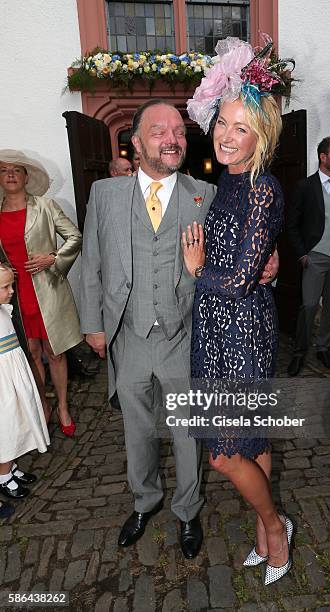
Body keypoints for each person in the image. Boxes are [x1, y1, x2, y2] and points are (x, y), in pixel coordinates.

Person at [80, 98, 278, 559]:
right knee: (137, 430)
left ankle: (188, 509)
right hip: (127, 336)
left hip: (186, 335)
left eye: (178, 132)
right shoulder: (104, 195)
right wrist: (93, 324)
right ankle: (145, 501)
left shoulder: (205, 193)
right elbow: (90, 262)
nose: (172, 140)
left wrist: (272, 263)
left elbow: (246, 245)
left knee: (188, 430)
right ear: (134, 142)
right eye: (159, 132)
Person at [185, 36, 293, 586]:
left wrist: (197, 269)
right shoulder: (224, 182)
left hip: (242, 330)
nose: (227, 135)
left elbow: (236, 281)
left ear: (261, 136)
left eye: (241, 128)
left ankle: (276, 526)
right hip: (215, 327)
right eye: (223, 123)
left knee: (223, 455)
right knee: (253, 442)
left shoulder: (261, 189)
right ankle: (261, 529)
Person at [0, 150, 82, 436]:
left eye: (16, 170)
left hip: (48, 291)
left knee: (54, 352)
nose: (10, 174)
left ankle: (62, 406)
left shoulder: (45, 207)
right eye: (4, 170)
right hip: (14, 297)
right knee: (30, 352)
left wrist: (52, 257)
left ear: (26, 177)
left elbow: (74, 237)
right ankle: (41, 407)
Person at [287, 137, 330, 376]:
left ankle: (323, 346)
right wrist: (302, 254)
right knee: (308, 306)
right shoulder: (305, 187)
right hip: (315, 256)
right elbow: (292, 224)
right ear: (323, 157)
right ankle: (299, 352)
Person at [0, 264, 49, 501]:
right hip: (3, 383)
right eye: (5, 287)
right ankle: (3, 476)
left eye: (11, 285)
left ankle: (11, 467)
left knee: (20, 420)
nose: (11, 291)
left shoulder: (4, 310)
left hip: (14, 376)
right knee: (7, 426)